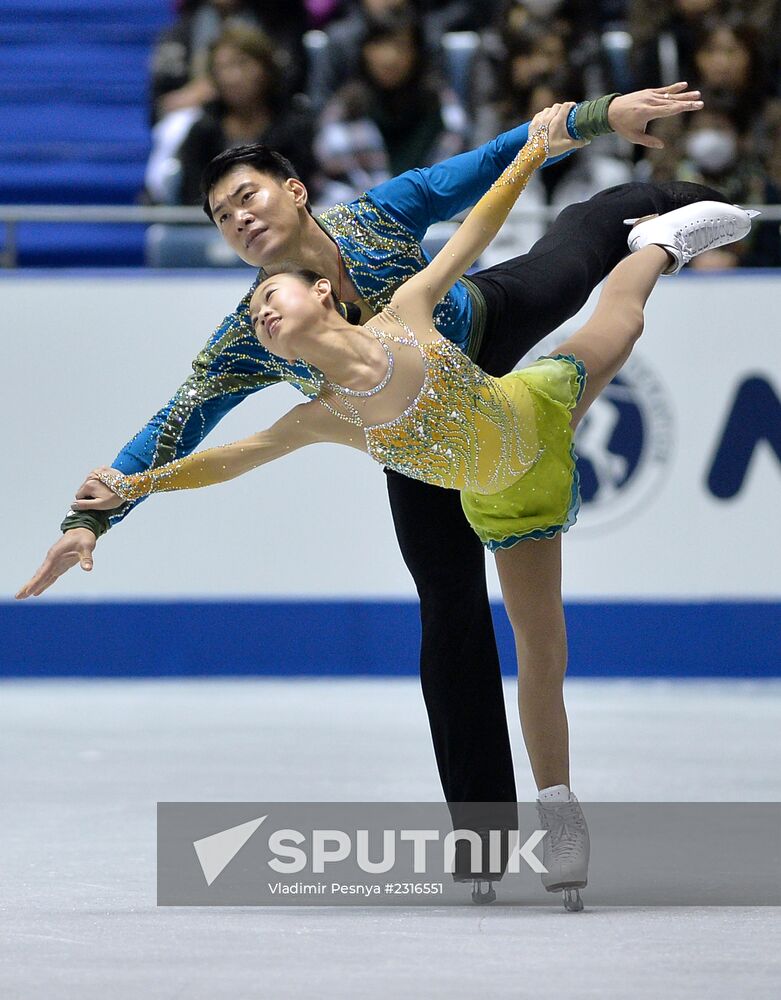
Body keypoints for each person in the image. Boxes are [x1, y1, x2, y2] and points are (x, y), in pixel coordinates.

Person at [17, 82, 711, 889]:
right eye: (220, 216)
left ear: (295, 190)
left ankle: (684, 216)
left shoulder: (381, 215)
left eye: (246, 196)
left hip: (479, 323)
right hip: (420, 444)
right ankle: (483, 837)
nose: (238, 218)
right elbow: (181, 430)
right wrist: (90, 521)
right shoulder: (252, 333)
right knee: (449, 614)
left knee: (585, 237)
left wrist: (597, 118)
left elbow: (487, 169)